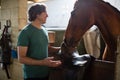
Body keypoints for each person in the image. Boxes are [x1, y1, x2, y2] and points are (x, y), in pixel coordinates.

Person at [17, 3, 62, 80]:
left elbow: (46, 47)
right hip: (32, 75)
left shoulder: (44, 29)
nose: (47, 15)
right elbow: (21, 58)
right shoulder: (25, 32)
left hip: (45, 72)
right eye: (45, 13)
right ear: (37, 14)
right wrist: (42, 62)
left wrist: (61, 48)